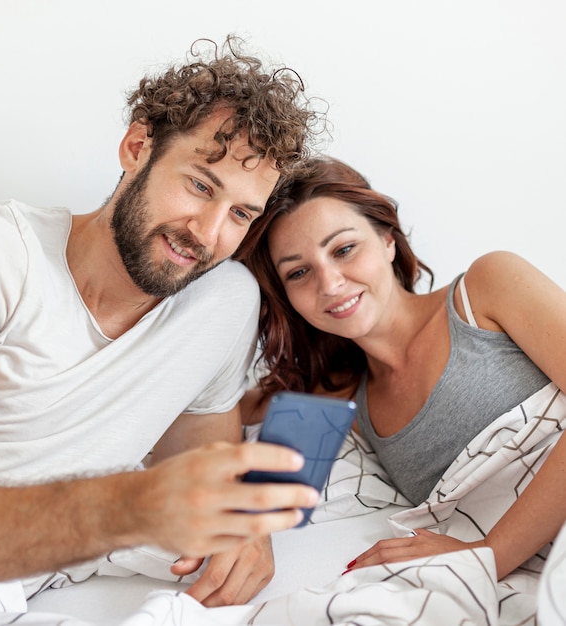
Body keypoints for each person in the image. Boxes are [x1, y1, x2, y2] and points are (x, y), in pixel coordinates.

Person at [0, 36, 324, 607]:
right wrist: (127, 507)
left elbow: (204, 468)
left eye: (240, 214)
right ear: (137, 146)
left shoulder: (222, 302)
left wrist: (243, 529)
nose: (208, 233)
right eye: (199, 185)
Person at [235, 155, 566, 581]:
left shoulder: (484, 291)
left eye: (344, 249)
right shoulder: (340, 396)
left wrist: (489, 554)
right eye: (299, 272)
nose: (330, 283)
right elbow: (215, 408)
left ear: (388, 240)